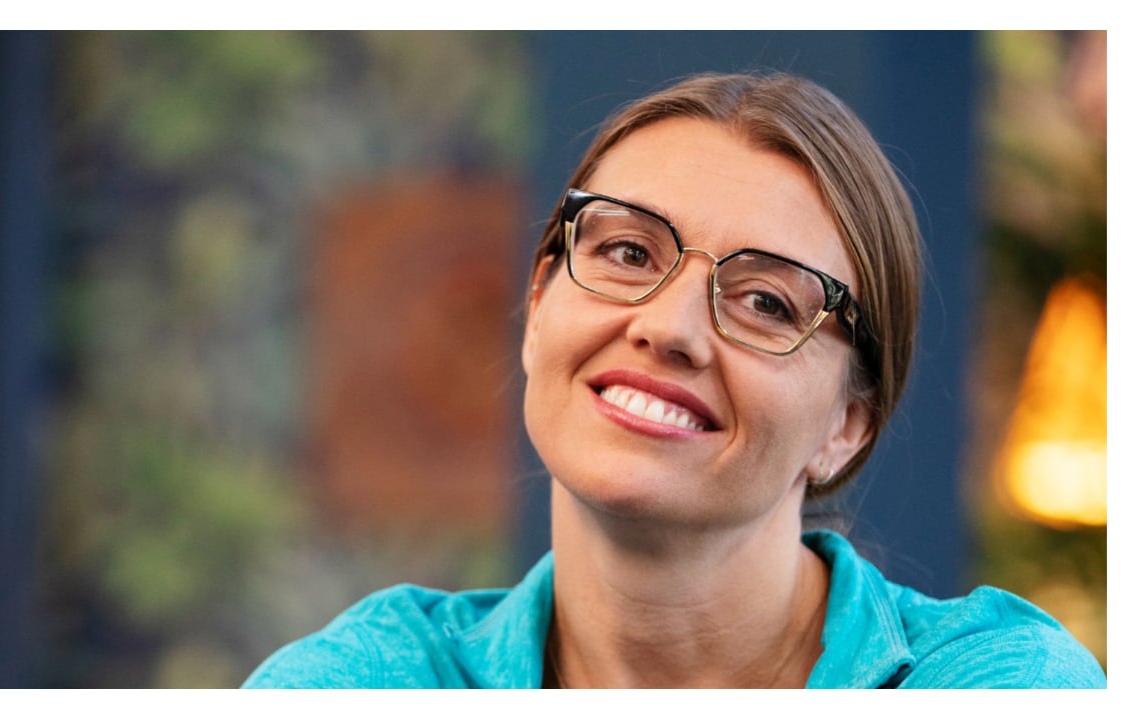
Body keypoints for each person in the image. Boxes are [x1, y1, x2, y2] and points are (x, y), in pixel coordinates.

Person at [242, 72, 1106, 688]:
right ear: (540, 304)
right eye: (626, 252)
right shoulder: (370, 680)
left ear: (847, 423)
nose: (669, 325)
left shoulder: (997, 683)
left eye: (767, 302)